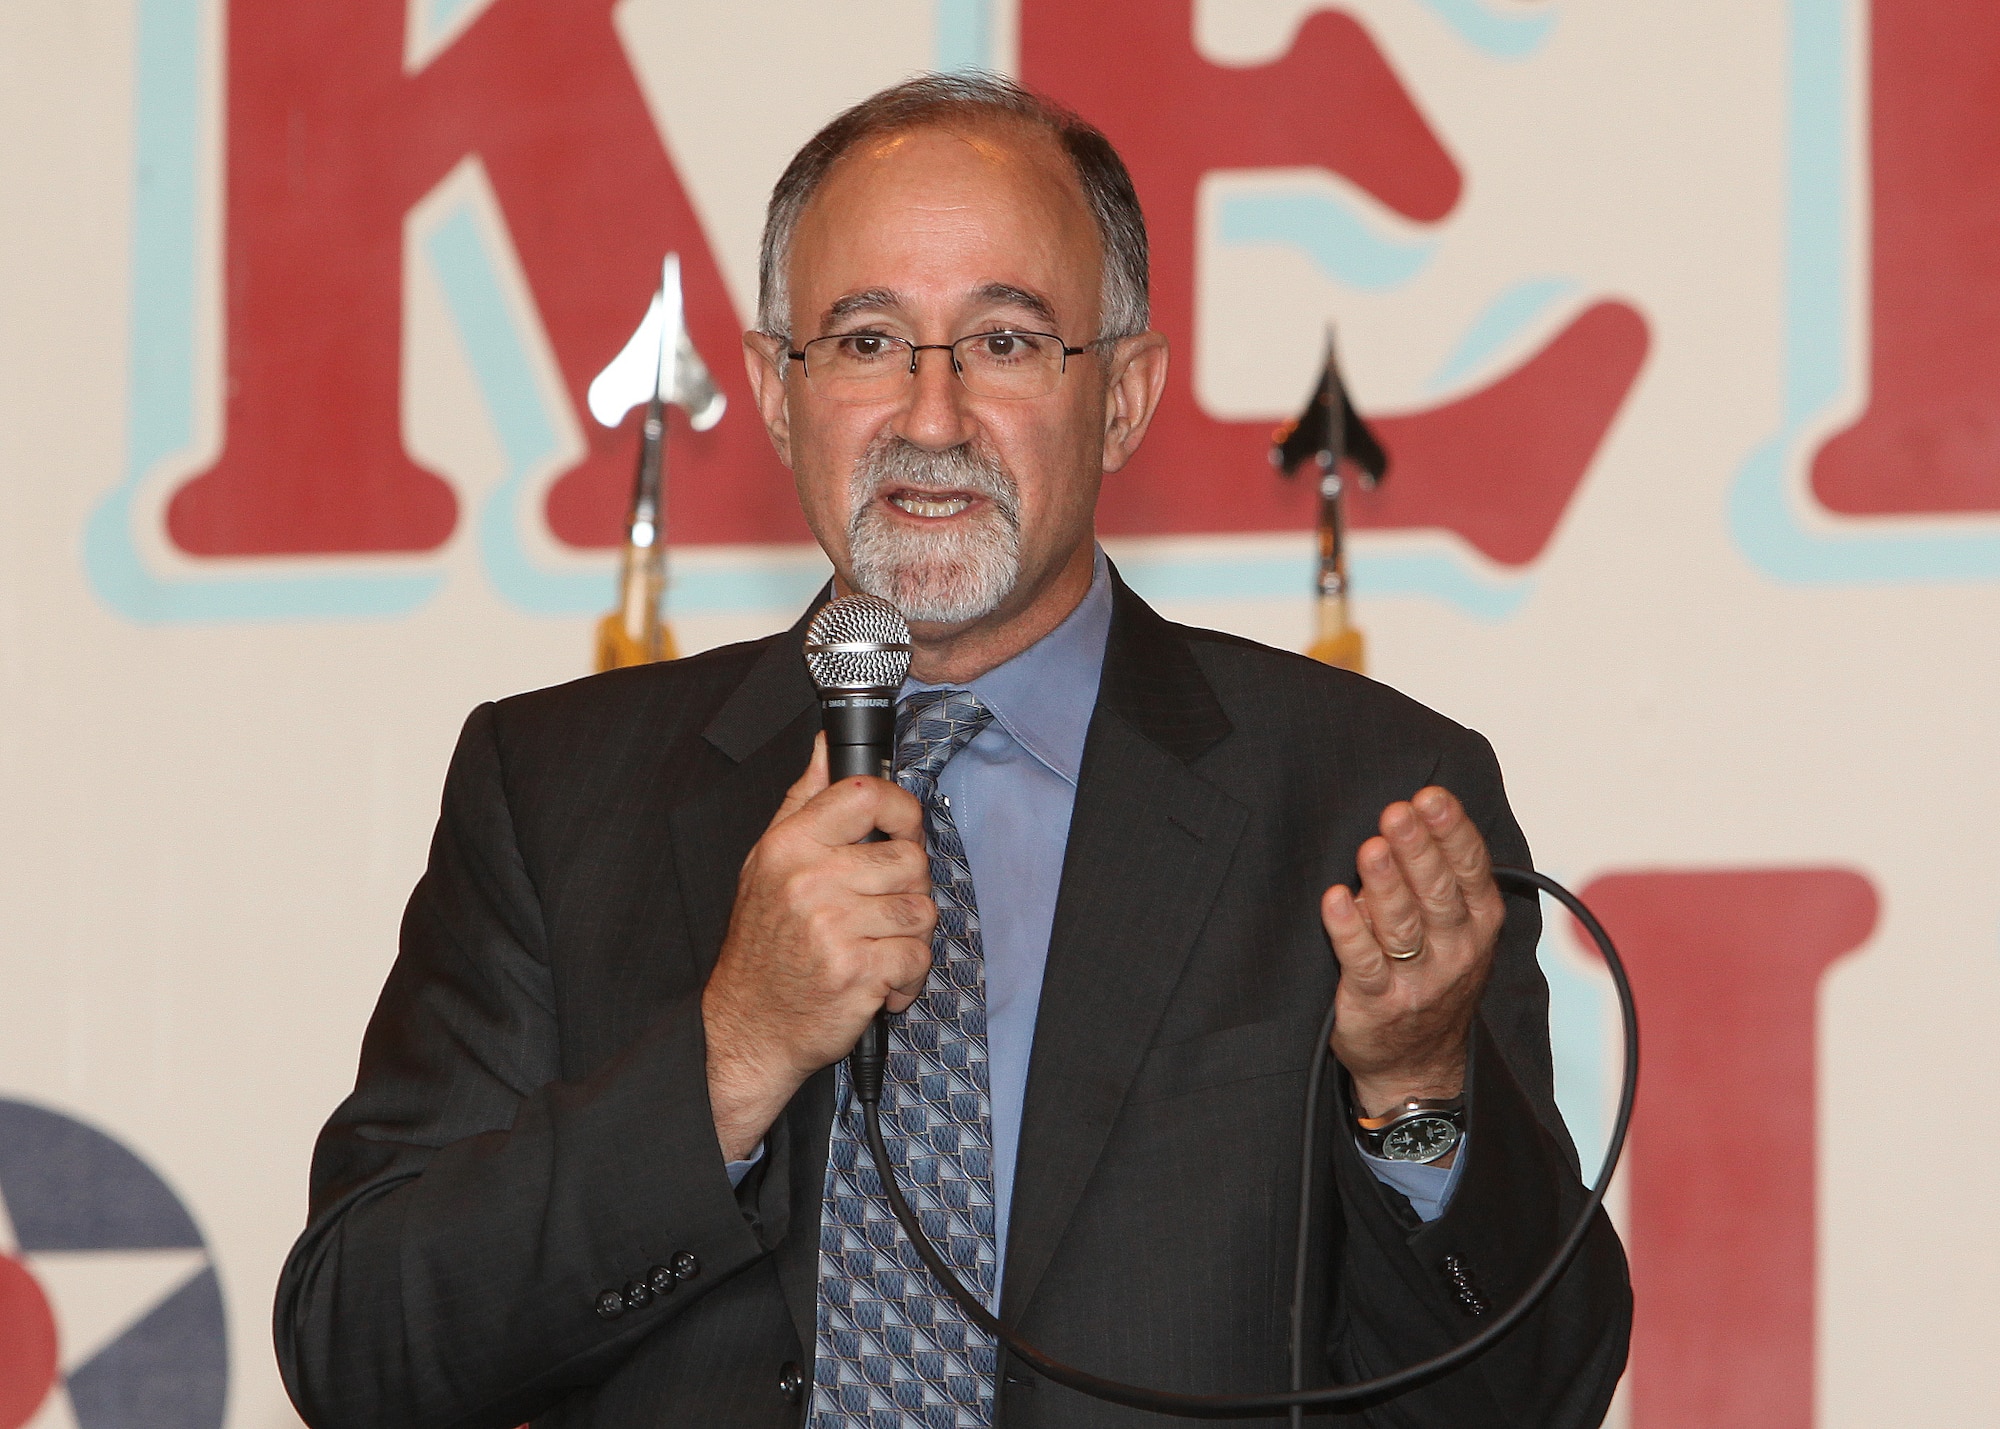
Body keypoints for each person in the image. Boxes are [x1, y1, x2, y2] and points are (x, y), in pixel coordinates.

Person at [276, 74, 1630, 1429]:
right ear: (770, 388)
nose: (930, 417)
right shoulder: (556, 791)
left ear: (1125, 397)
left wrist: (1415, 1100)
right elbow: (361, 1344)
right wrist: (729, 1054)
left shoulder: (1360, 799)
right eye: (866, 342)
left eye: (1005, 342)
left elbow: (1534, 1386)